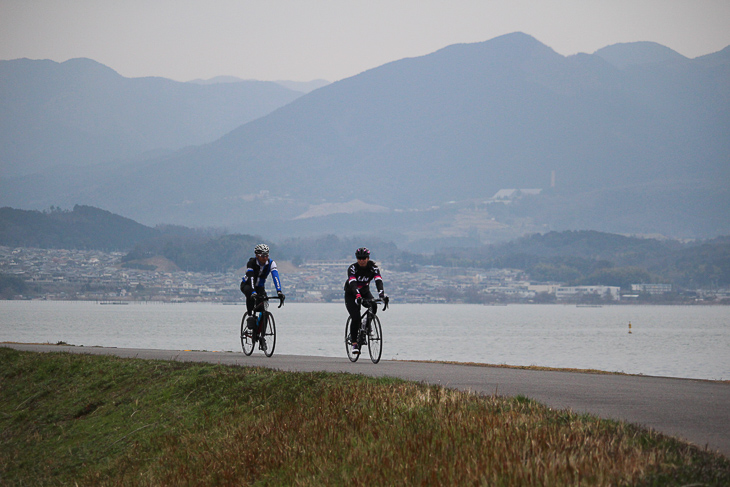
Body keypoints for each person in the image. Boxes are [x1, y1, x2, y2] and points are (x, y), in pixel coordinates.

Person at [344, 247, 388, 355]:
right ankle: (354, 343)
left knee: (374, 305)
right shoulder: (352, 268)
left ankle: (367, 326)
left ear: (368, 258)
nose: (362, 260)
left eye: (364, 258)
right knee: (356, 318)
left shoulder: (373, 268)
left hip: (364, 291)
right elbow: (353, 283)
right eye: (359, 258)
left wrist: (382, 294)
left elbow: (378, 281)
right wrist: (357, 295)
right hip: (351, 293)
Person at [240, 243, 285, 349]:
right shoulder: (251, 263)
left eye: (267, 255)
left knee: (264, 310)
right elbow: (251, 278)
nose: (265, 258)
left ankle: (261, 336)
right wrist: (252, 292)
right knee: (250, 296)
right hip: (247, 285)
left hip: (260, 287)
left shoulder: (271, 263)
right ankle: (250, 316)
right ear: (257, 255)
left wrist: (279, 292)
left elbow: (276, 277)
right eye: (263, 256)